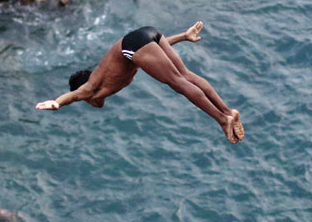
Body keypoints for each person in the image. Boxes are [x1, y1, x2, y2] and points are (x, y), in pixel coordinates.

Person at [35, 21, 244, 143]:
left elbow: (73, 96)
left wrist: (57, 102)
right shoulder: (111, 73)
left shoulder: (91, 88)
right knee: (186, 76)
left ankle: (221, 119)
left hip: (133, 44)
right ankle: (227, 111)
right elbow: (151, 51)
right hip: (146, 36)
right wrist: (183, 36)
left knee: (178, 82)